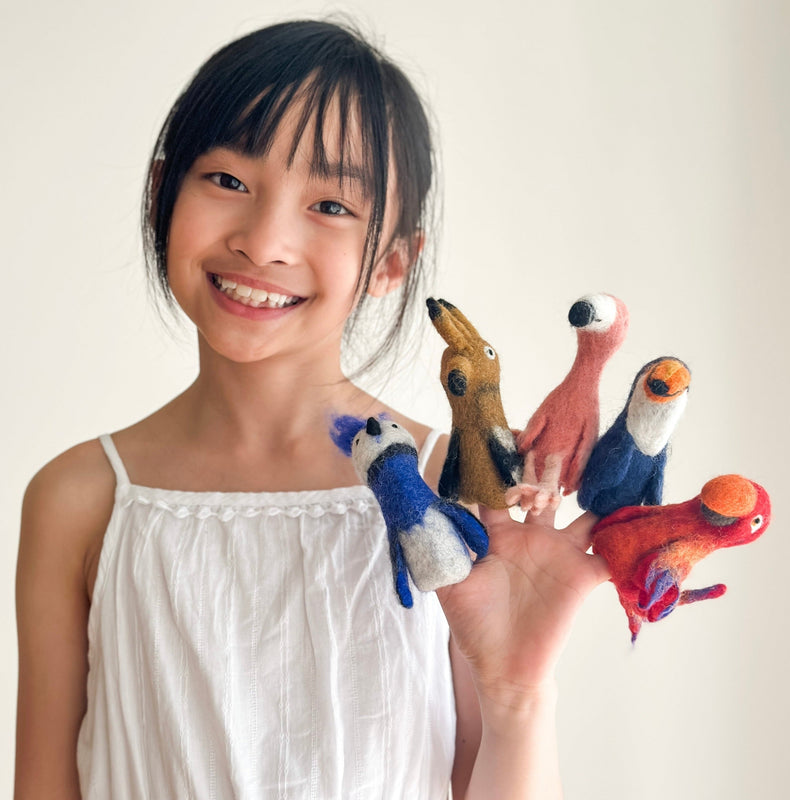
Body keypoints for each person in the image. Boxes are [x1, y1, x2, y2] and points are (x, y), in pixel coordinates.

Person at [15, 19, 609, 799]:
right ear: (163, 191)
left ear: (393, 261)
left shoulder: (457, 489)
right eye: (228, 181)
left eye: (329, 204)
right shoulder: (80, 499)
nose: (264, 242)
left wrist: (519, 697)